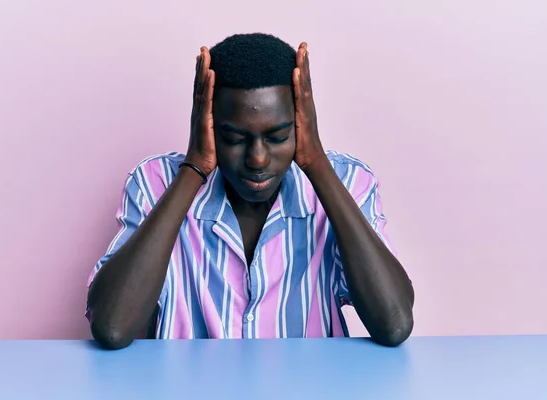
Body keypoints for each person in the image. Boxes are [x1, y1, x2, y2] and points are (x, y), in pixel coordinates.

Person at [86, 33, 414, 349]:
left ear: (302, 124)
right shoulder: (153, 182)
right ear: (208, 125)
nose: (257, 158)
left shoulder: (350, 180)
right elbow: (112, 327)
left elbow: (394, 324)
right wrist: (195, 167)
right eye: (234, 138)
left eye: (278, 136)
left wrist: (315, 161)